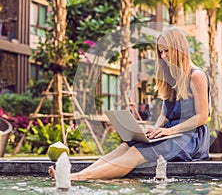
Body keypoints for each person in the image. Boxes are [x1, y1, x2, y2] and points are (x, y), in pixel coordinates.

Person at [48, 27, 211, 180]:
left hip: (191, 137)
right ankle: (77, 174)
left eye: (166, 51)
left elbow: (202, 117)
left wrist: (170, 131)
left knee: (134, 152)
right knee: (126, 145)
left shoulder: (196, 76)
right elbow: (164, 114)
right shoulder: (170, 76)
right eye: (160, 52)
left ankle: (75, 178)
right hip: (171, 132)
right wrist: (155, 130)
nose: (162, 56)